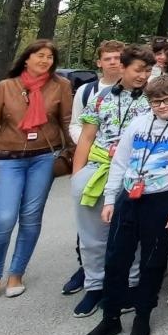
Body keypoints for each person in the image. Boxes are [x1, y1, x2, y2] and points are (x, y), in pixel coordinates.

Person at [80, 75, 168, 335]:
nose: (162, 106)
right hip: (130, 198)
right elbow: (120, 161)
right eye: (156, 101)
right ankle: (110, 317)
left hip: (163, 199)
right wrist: (110, 199)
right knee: (116, 258)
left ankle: (143, 315)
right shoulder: (138, 123)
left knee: (153, 261)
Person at [0, 40, 73, 302]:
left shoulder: (60, 86)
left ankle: (16, 273)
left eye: (50, 57)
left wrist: (75, 156)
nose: (45, 61)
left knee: (31, 218)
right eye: (39, 56)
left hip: (42, 158)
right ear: (27, 59)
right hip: (8, 159)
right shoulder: (6, 87)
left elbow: (66, 122)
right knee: (4, 219)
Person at [71, 44, 155, 318]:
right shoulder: (100, 98)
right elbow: (86, 137)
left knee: (131, 234)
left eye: (148, 71)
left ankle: (129, 284)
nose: (143, 76)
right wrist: (77, 175)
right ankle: (94, 285)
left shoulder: (153, 100)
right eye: (138, 70)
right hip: (97, 169)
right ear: (123, 67)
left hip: (134, 174)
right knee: (93, 236)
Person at [61, 39, 124, 296]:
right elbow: (77, 126)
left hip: (123, 169)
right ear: (99, 62)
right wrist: (90, 148)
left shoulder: (141, 93)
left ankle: (121, 278)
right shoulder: (88, 92)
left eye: (118, 58)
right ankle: (88, 273)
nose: (113, 62)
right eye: (108, 58)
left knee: (120, 223)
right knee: (89, 226)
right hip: (94, 162)